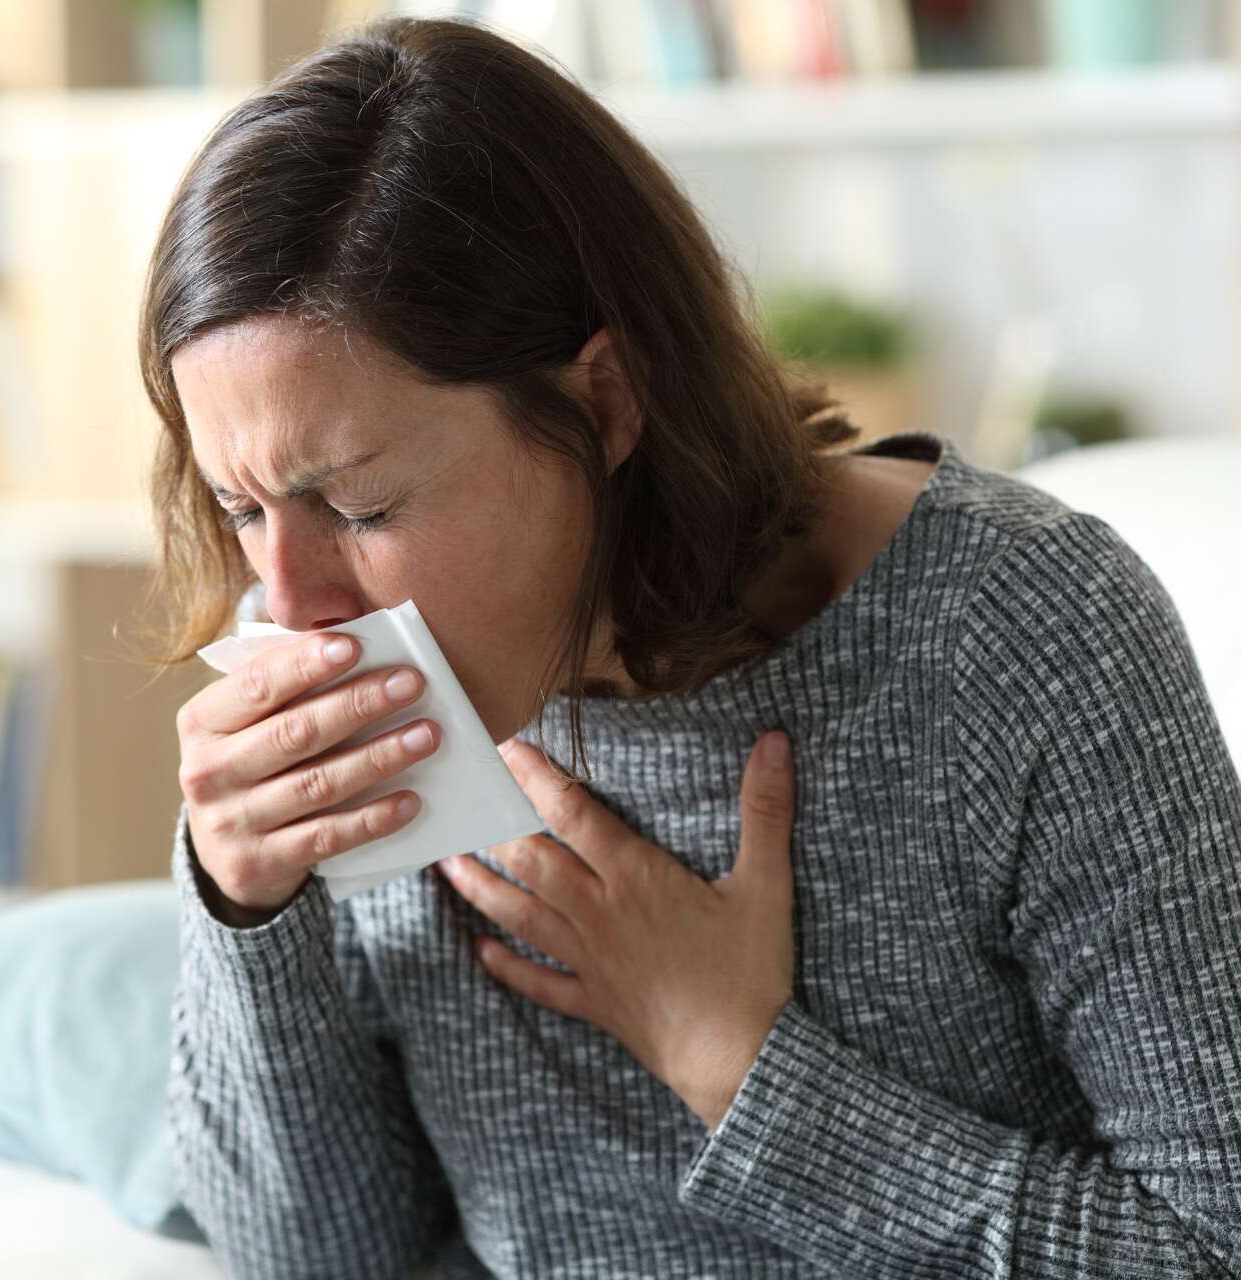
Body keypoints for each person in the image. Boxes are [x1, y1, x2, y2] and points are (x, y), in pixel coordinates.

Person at [132, 14, 1241, 1278]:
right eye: (239, 507)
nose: (292, 601)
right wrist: (242, 906)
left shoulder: (1019, 630)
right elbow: (316, 1253)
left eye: (365, 506)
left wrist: (742, 1067)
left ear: (604, 400)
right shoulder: (320, 666)